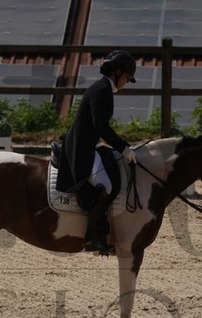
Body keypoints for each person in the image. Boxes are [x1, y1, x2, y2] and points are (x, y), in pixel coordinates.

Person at [56, 50, 138, 254]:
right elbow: (101, 127)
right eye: (126, 77)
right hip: (80, 147)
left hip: (87, 144)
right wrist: (123, 148)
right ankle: (93, 237)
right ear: (117, 72)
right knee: (106, 186)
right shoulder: (102, 90)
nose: (125, 83)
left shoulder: (103, 88)